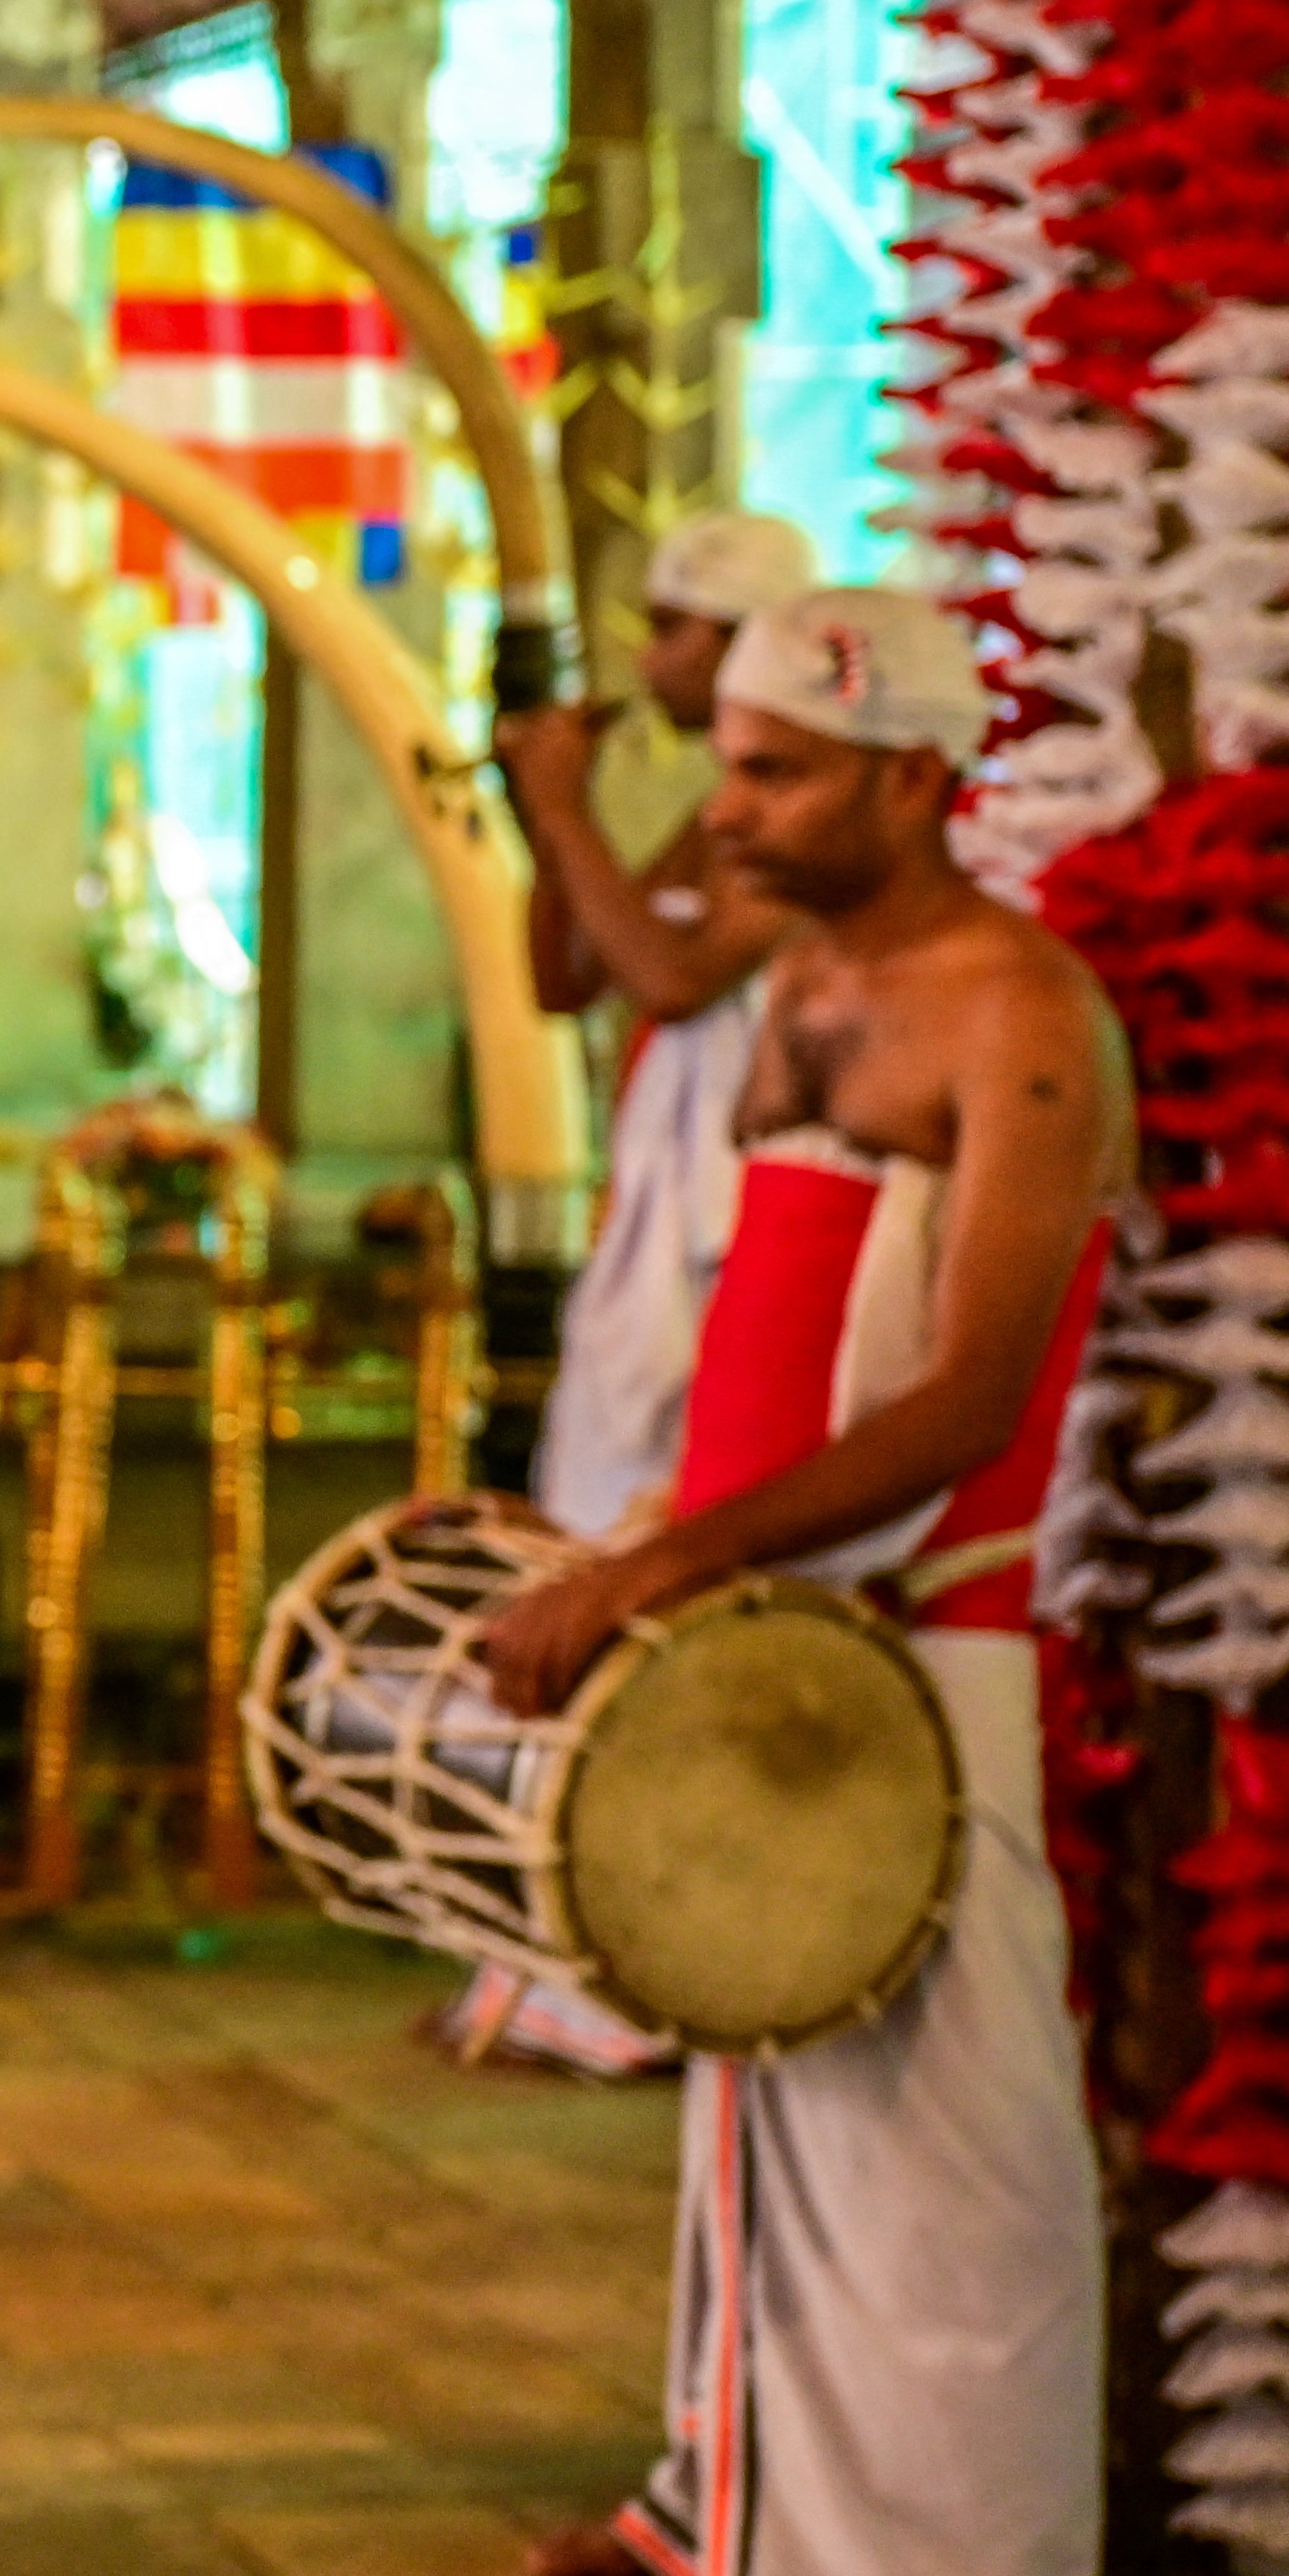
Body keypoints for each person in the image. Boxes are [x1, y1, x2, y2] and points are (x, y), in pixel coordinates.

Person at [474, 585, 1120, 2576]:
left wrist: (656, 1569)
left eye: (772, 773)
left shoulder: (1018, 1013)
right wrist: (653, 1578)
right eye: (728, 761)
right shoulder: (804, 985)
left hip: (920, 1659)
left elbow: (957, 1408)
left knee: (950, 2157)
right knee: (756, 2123)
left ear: (915, 782)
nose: (722, 810)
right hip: (767, 1650)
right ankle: (724, 2514)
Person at [462, 506, 821, 2072]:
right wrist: (555, 815)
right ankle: (565, 1946)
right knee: (583, 1541)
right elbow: (567, 975)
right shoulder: (696, 823)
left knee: (647, 1556)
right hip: (647, 1239)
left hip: (725, 1246)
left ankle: (641, 1959)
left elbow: (675, 978)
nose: (646, 659)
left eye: (674, 629)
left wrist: (561, 801)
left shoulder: (792, 834)